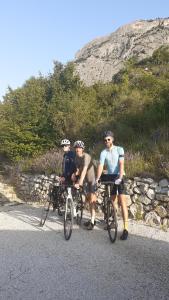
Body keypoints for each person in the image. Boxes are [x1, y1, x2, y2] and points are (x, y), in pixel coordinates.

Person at [96, 131, 129, 240]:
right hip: (110, 176)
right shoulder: (103, 152)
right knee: (112, 201)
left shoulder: (119, 149)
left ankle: (126, 228)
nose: (107, 141)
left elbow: (121, 164)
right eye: (105, 140)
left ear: (112, 139)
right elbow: (101, 165)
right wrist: (97, 178)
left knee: (122, 201)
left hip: (119, 175)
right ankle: (114, 222)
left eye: (108, 139)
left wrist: (120, 177)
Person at [72, 140, 97, 230]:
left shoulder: (86, 156)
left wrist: (80, 182)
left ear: (83, 149)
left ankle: (93, 221)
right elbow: (79, 170)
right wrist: (74, 175)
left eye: (79, 148)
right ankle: (91, 219)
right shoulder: (76, 158)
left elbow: (85, 169)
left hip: (92, 179)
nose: (78, 149)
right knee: (88, 200)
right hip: (86, 180)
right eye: (76, 148)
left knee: (92, 200)